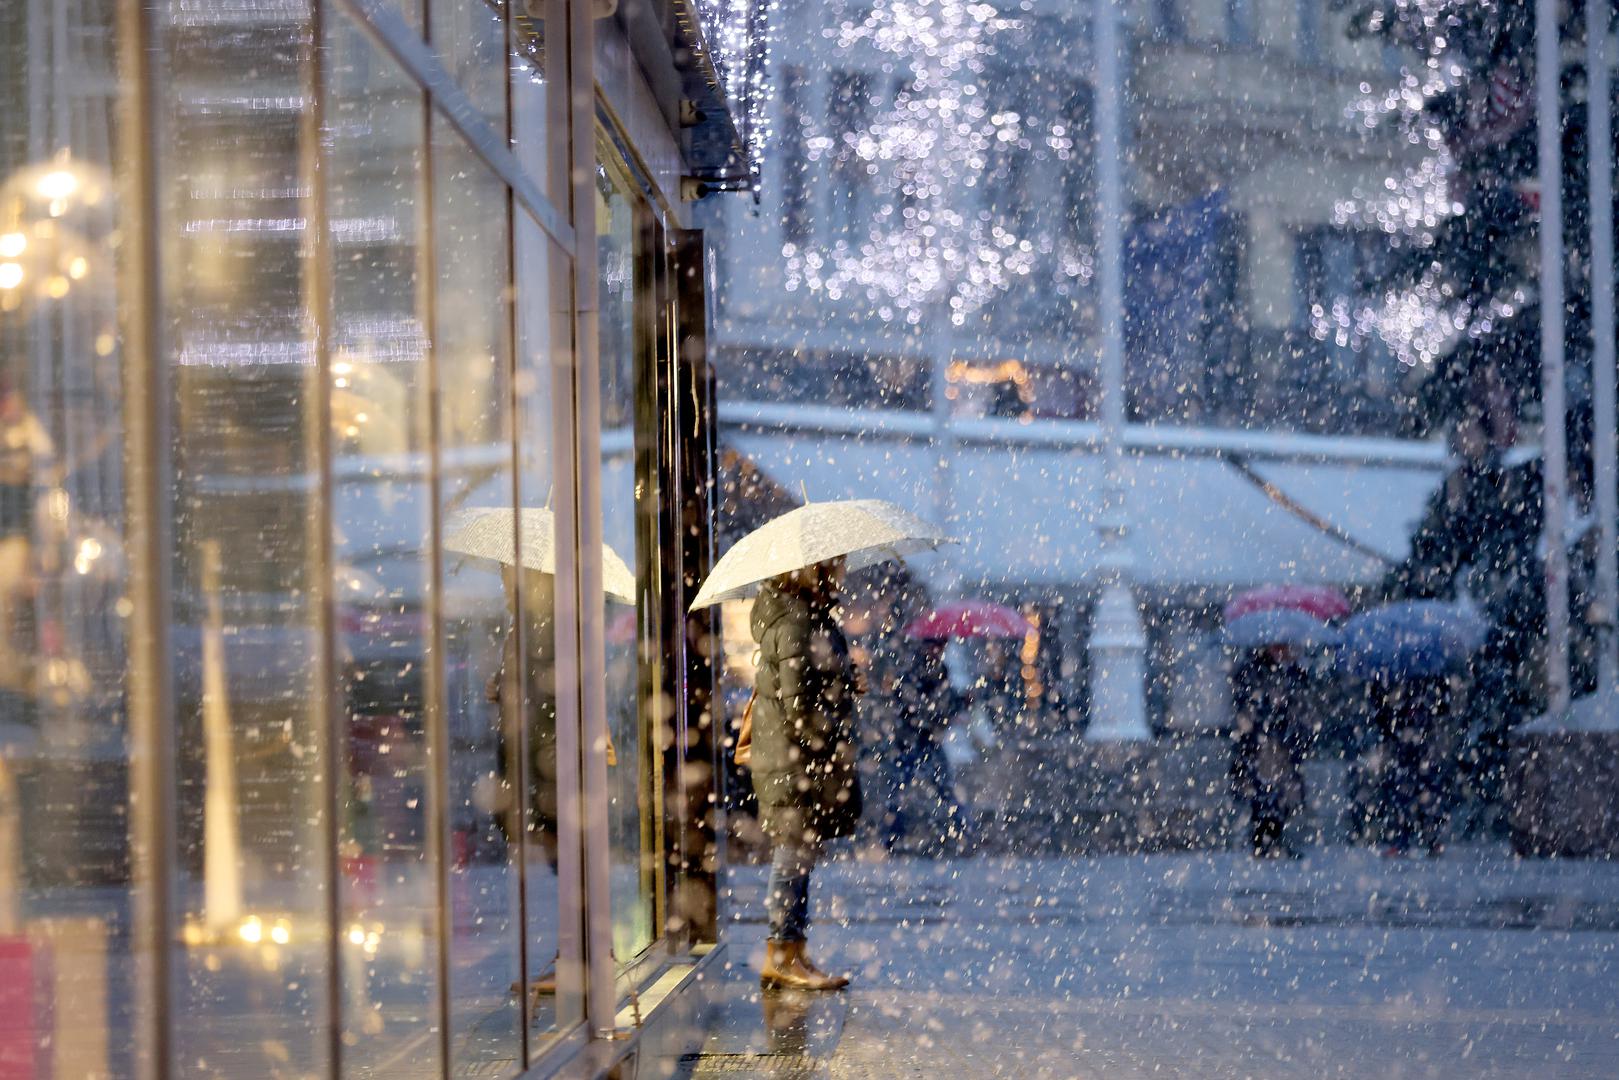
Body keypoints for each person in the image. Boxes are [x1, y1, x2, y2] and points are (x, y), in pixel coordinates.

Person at [749, 557, 863, 991]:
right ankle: (780, 954)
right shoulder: (794, 624)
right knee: (792, 856)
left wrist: (846, 682)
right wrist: (834, 725)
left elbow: (811, 684)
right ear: (808, 571)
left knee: (800, 856)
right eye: (835, 566)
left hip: (798, 762)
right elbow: (799, 710)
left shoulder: (805, 618)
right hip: (792, 763)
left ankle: (793, 952)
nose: (842, 572)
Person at [881, 637, 966, 852]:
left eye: (941, 647)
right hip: (911, 739)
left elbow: (940, 707)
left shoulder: (941, 672)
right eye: (935, 646)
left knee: (942, 787)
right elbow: (916, 707)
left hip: (927, 740)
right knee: (901, 789)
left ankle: (963, 831)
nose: (938, 651)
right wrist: (939, 713)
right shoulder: (914, 672)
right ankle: (891, 837)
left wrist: (958, 703)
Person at [1228, 648, 1306, 859]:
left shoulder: (1289, 671)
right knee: (1263, 794)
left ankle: (1271, 840)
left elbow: (1296, 703)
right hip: (1262, 743)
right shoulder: (1253, 670)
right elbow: (1245, 704)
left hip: (1278, 742)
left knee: (1279, 794)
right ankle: (1263, 841)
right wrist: (1267, 704)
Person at [1371, 674, 1457, 857]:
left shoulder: (1425, 679)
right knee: (1407, 795)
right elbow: (1380, 709)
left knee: (1417, 794)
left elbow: (1442, 706)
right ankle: (1412, 841)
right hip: (1407, 746)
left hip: (1419, 746)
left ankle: (1422, 840)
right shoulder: (1398, 678)